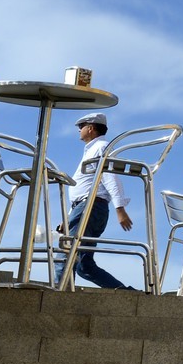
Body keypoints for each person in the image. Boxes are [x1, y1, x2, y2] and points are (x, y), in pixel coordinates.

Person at [54, 113, 137, 291]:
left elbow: (110, 178)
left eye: (81, 126)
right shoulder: (94, 148)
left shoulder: (101, 147)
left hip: (89, 207)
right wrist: (69, 217)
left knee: (67, 252)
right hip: (86, 208)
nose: (79, 129)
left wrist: (120, 208)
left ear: (90, 128)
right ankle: (125, 293)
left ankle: (58, 296)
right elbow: (87, 186)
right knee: (85, 266)